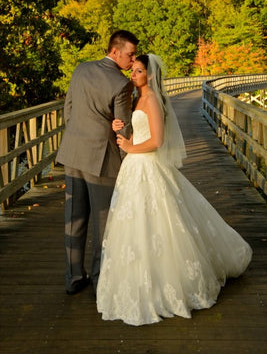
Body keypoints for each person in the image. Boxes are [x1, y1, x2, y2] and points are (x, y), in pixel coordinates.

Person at [96, 54, 252, 325]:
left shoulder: (153, 100)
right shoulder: (139, 99)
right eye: (132, 71)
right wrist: (122, 131)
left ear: (151, 76)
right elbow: (140, 135)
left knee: (160, 224)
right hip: (134, 167)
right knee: (134, 225)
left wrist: (131, 148)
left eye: (138, 71)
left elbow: (157, 140)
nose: (133, 75)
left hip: (146, 165)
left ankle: (168, 285)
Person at [56, 29, 139, 295]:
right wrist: (128, 161)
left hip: (73, 152)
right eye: (130, 54)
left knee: (74, 217)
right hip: (102, 159)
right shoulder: (121, 83)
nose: (132, 60)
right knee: (103, 223)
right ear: (115, 51)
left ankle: (73, 277)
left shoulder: (81, 69)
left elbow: (68, 110)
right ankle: (100, 280)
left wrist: (77, 138)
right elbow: (122, 128)